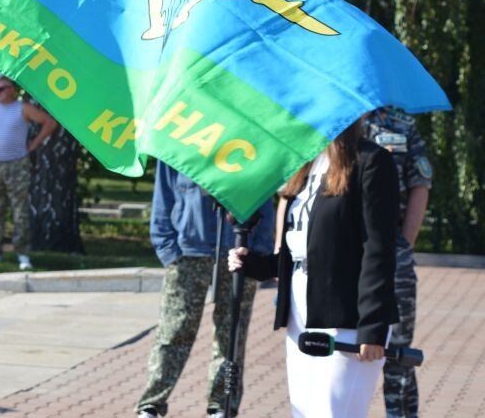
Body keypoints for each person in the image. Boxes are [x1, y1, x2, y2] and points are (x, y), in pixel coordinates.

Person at [228, 118, 399, 418]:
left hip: (349, 315)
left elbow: (378, 251)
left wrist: (372, 327)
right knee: (304, 412)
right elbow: (299, 249)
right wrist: (253, 262)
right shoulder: (304, 166)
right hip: (301, 311)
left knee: (332, 413)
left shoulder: (372, 162)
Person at [135, 162, 274, 418]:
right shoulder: (178, 136)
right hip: (188, 250)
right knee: (174, 330)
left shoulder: (248, 136)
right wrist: (167, 248)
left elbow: (263, 191)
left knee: (231, 333)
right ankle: (152, 404)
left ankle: (222, 405)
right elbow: (164, 193)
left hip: (238, 249)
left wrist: (260, 250)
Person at [365, 107, 431, 418]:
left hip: (393, 258)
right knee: (344, 354)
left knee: (398, 354)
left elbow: (420, 183)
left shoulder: (401, 125)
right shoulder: (332, 119)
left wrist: (404, 243)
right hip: (343, 258)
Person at [0, 75, 56, 270]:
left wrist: (33, 146)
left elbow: (49, 123)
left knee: (20, 212)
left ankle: (23, 254)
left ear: (12, 89)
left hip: (17, 165)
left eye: (2, 89)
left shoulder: (24, 108)